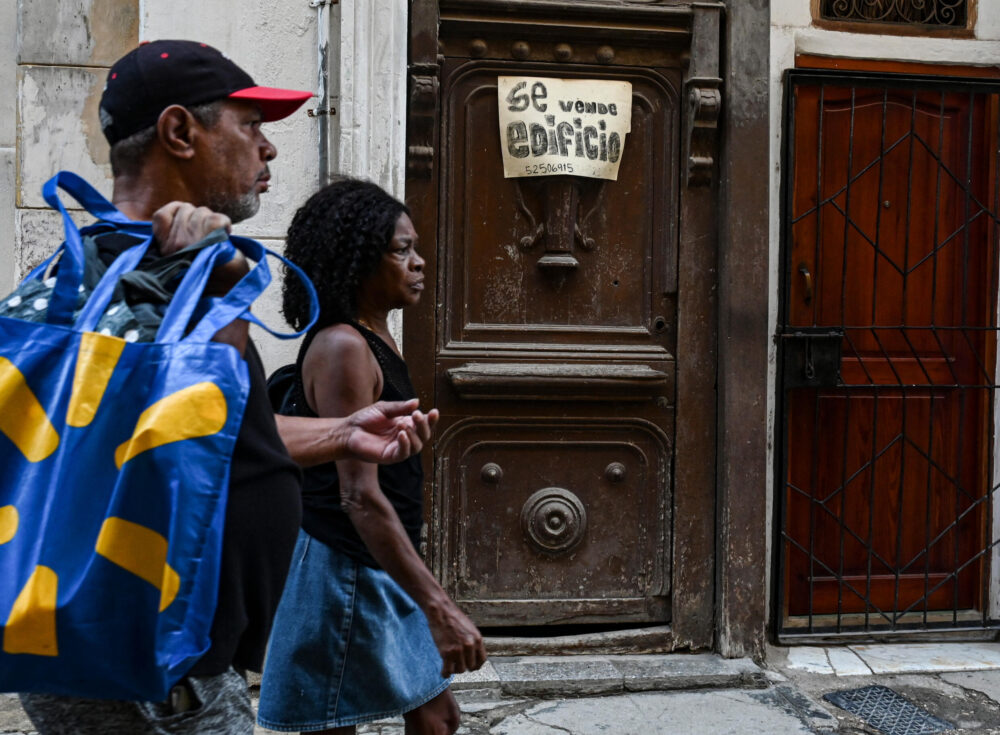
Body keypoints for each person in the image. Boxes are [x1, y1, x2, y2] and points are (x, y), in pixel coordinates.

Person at [18, 40, 439, 735]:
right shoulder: (154, 275)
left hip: (139, 653)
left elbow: (197, 429)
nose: (269, 150)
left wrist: (340, 433)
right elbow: (113, 441)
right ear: (180, 132)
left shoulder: (92, 270)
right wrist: (188, 278)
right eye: (250, 126)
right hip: (155, 667)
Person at [255, 179, 486, 735]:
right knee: (359, 721)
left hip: (371, 563)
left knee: (435, 716)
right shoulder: (344, 347)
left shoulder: (370, 336)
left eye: (415, 248)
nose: (419, 262)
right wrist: (438, 604)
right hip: (347, 567)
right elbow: (358, 494)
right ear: (358, 260)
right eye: (401, 250)